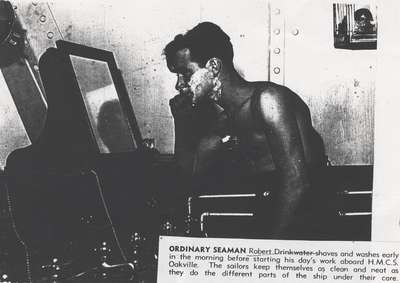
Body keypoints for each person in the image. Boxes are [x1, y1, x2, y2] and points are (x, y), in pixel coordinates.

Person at [164, 22, 331, 239]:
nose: (179, 85)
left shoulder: (268, 100)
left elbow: (298, 182)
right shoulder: (226, 120)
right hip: (273, 213)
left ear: (213, 67)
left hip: (309, 221)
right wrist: (181, 121)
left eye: (186, 73)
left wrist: (264, 250)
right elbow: (190, 172)